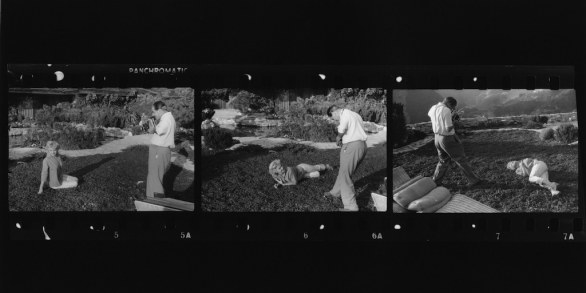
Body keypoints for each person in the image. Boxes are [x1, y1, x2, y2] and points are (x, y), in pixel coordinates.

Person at [323, 105, 368, 211]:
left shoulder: (344, 115)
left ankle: (351, 207)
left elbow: (341, 130)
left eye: (333, 118)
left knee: (345, 176)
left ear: (334, 112)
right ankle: (335, 192)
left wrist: (338, 138)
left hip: (352, 147)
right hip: (361, 145)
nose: (335, 120)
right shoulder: (355, 114)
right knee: (343, 172)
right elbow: (353, 130)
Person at [428, 97, 481, 187]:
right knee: (460, 159)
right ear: (449, 104)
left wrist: (448, 118)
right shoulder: (446, 110)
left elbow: (436, 119)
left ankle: (436, 180)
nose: (452, 109)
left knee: (443, 161)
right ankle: (473, 180)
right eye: (452, 107)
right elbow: (448, 128)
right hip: (447, 139)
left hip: (437, 138)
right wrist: (455, 121)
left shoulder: (433, 108)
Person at [146, 101, 176, 198]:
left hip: (159, 150)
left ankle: (157, 202)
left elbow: (160, 130)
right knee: (154, 176)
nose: (153, 114)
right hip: (158, 150)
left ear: (159, 110)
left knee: (155, 177)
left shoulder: (167, 119)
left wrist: (152, 129)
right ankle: (151, 198)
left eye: (153, 112)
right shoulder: (166, 118)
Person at [268, 159, 334, 189]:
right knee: (317, 174)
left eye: (282, 165)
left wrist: (283, 184)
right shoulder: (276, 175)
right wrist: (279, 183)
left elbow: (295, 182)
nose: (282, 168)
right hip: (301, 176)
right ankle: (312, 174)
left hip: (303, 168)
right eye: (280, 168)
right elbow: (283, 180)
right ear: (276, 172)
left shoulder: (289, 170)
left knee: (315, 168)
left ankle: (326, 166)